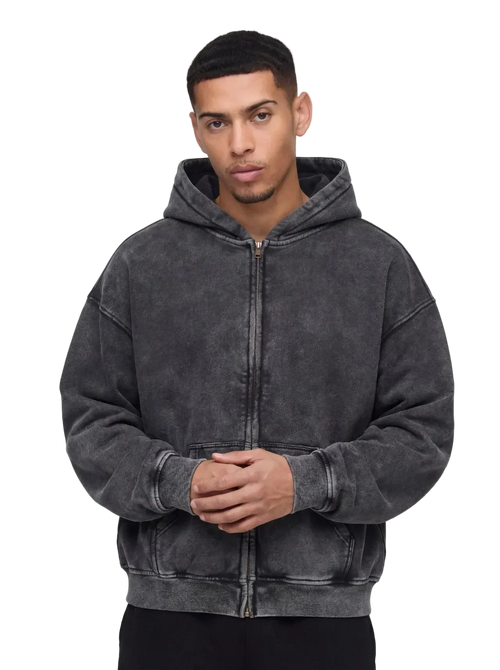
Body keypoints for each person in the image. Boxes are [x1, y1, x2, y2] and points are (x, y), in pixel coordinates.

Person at [57, 27, 457, 670]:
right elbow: (88, 421)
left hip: (324, 621)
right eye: (216, 122)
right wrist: (182, 481)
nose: (239, 144)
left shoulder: (379, 265)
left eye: (260, 115)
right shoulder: (140, 265)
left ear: (302, 113)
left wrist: (303, 483)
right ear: (194, 129)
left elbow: (425, 433)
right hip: (168, 618)